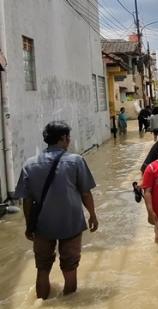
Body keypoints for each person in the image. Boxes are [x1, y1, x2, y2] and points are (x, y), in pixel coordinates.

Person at [14, 121, 98, 299]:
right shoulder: (75, 161)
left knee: (42, 268)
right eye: (68, 137)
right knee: (70, 267)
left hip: (42, 226)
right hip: (71, 223)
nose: (69, 140)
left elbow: (26, 201)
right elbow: (85, 193)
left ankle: (42, 304)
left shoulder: (30, 164)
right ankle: (70, 304)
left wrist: (29, 226)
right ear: (63, 138)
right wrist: (92, 215)